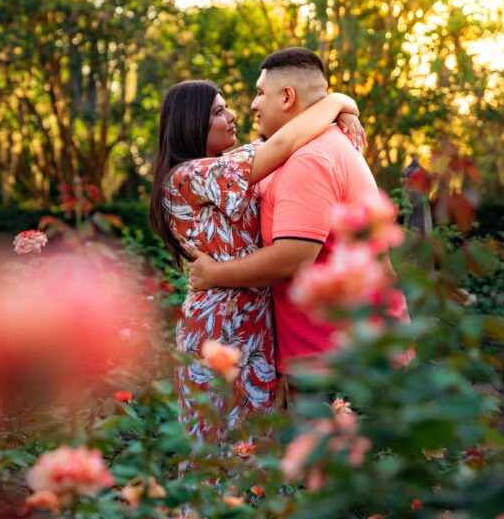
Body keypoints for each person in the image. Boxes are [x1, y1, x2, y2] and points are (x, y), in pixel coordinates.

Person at [149, 77, 363, 439]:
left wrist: (345, 109)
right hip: (221, 325)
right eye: (219, 111)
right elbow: (283, 143)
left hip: (251, 320)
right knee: (222, 448)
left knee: (254, 448)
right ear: (191, 122)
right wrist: (338, 100)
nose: (233, 116)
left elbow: (288, 137)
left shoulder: (223, 167)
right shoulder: (189, 176)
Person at [188, 48, 385, 382]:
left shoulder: (308, 159)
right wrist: (339, 103)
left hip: (338, 361)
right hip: (329, 353)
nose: (251, 104)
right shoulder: (298, 150)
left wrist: (214, 274)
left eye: (260, 93)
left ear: (287, 97)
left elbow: (293, 259)